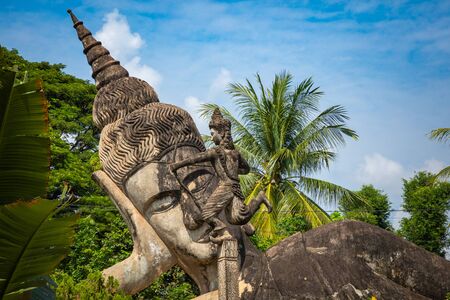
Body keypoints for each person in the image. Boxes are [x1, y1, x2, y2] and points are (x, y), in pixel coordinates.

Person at [170, 108, 272, 243]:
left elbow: (196, 158)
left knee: (207, 213)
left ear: (222, 133)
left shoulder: (215, 152)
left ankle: (222, 231)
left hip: (226, 187)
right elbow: (246, 169)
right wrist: (234, 173)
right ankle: (259, 198)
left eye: (212, 134)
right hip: (235, 188)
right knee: (238, 218)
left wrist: (177, 165)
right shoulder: (235, 153)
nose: (211, 137)